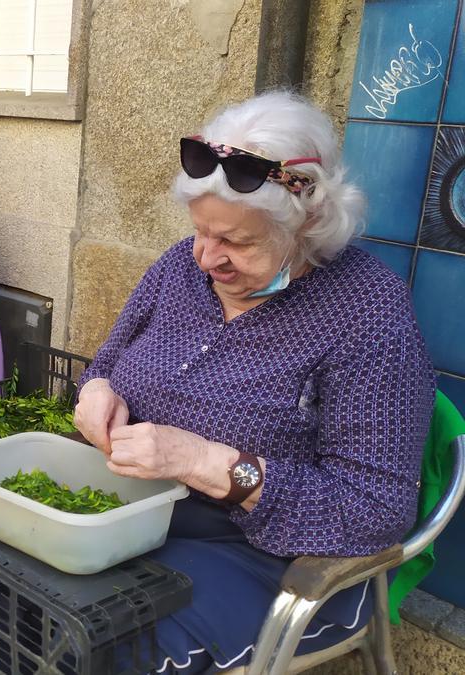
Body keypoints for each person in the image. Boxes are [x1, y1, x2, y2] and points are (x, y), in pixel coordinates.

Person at [72, 92, 436, 673]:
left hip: (270, 558)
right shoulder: (178, 268)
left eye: (237, 242)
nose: (206, 258)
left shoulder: (367, 312)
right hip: (139, 517)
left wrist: (205, 462)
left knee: (105, 647)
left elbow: (376, 510)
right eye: (200, 231)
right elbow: (107, 362)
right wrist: (95, 392)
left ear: (309, 223)